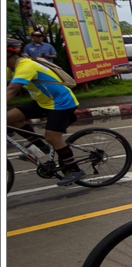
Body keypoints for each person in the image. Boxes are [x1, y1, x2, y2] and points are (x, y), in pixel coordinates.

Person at [6, 37, 84, 185]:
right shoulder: (10, 68)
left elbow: (12, 90)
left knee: (52, 137)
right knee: (8, 118)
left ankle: (74, 170)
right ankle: (40, 147)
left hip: (61, 102)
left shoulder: (26, 65)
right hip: (43, 102)